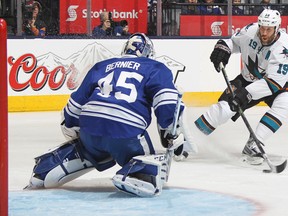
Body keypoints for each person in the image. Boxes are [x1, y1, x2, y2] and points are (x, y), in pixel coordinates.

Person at [24, 33, 195, 197]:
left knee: (90, 147)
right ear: (149, 53)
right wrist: (170, 133)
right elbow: (166, 103)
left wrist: (74, 131)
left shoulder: (101, 65)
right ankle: (139, 174)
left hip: (89, 130)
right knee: (149, 156)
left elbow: (72, 108)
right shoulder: (156, 67)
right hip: (126, 133)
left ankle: (48, 167)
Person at [194, 9, 288, 165]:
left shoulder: (283, 49)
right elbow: (234, 42)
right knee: (225, 108)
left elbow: (272, 83)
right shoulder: (250, 30)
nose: (263, 32)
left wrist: (246, 94)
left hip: (275, 85)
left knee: (285, 104)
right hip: (247, 80)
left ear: (277, 28)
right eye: (262, 27)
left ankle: (254, 143)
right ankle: (189, 138)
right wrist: (223, 47)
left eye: (268, 29)